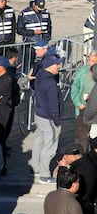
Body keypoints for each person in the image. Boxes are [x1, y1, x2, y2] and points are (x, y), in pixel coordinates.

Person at [34, 56, 64, 184]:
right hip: (49, 117)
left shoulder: (40, 75)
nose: (59, 66)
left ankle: (36, 169)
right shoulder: (50, 83)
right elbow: (53, 104)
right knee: (50, 146)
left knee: (39, 141)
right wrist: (57, 121)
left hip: (40, 114)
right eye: (57, 64)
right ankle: (45, 175)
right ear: (50, 66)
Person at [71, 52, 97, 152]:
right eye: (89, 60)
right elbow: (75, 88)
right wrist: (78, 103)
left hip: (94, 111)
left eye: (94, 61)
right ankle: (80, 157)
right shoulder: (83, 71)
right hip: (83, 108)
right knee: (81, 135)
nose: (90, 63)